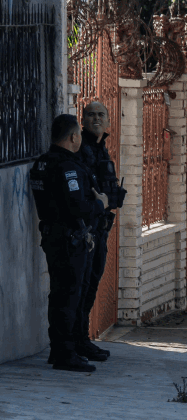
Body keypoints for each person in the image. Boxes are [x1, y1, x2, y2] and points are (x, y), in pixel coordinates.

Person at [31, 114, 106, 373]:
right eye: (77, 137)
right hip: (68, 240)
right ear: (73, 137)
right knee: (69, 296)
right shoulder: (68, 167)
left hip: (53, 236)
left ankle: (63, 349)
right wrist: (100, 204)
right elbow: (77, 208)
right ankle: (65, 353)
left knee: (60, 294)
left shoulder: (42, 163)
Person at [73, 100, 126, 363]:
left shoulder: (101, 148)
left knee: (91, 285)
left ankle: (82, 340)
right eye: (90, 115)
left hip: (100, 229)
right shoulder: (81, 149)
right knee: (80, 288)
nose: (95, 119)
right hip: (86, 232)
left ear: (108, 122)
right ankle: (77, 341)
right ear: (82, 121)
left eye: (100, 115)